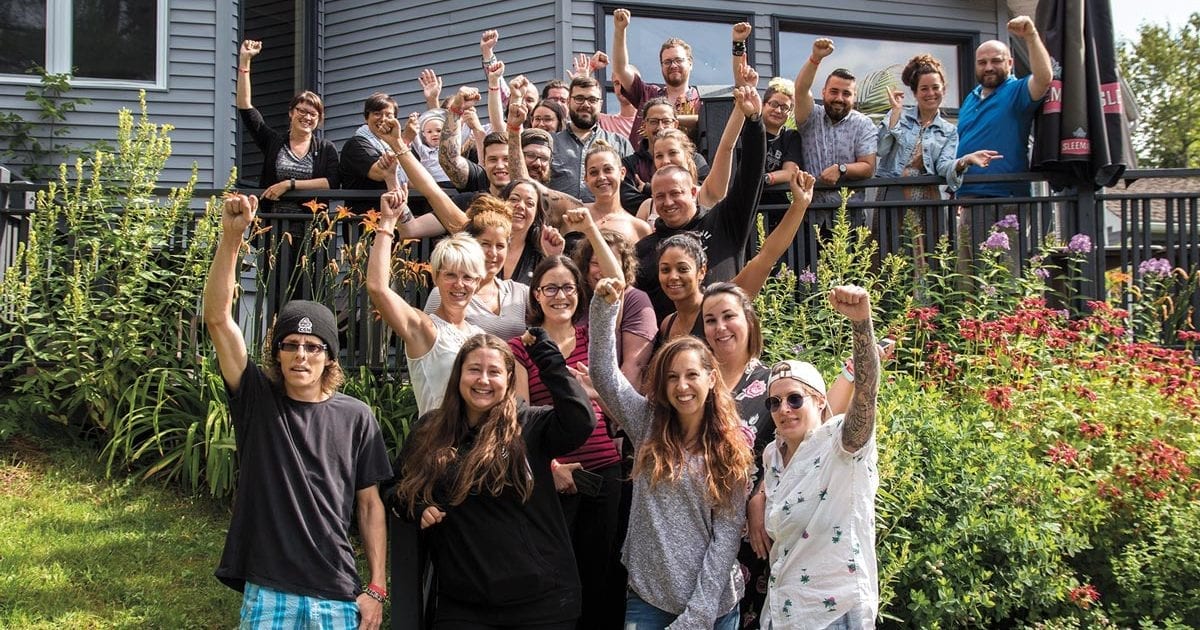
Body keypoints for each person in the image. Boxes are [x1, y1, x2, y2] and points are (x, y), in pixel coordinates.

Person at [205, 193, 390, 629]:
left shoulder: (357, 417)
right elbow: (218, 319)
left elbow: (369, 506)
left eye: (313, 347)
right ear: (278, 354)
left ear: (330, 358)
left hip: (337, 591)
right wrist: (232, 240)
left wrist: (376, 587)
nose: (301, 355)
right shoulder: (256, 400)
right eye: (290, 345)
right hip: (269, 591)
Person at [391, 331, 596, 629]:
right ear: (459, 374)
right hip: (462, 604)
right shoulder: (430, 431)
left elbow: (581, 420)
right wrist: (418, 506)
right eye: (474, 369)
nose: (483, 380)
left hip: (541, 604)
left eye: (494, 371)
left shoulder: (532, 426)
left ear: (509, 379)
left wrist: (547, 356)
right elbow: (395, 487)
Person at [588, 276, 755, 629]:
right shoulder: (646, 422)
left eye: (692, 375)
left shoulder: (730, 449)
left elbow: (725, 541)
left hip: (714, 606)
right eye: (672, 377)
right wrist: (605, 307)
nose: (682, 386)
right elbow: (605, 376)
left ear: (711, 379)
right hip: (649, 598)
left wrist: (696, 617)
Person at [508, 256, 623, 630]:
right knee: (559, 572)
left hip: (605, 472)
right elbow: (519, 419)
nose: (561, 296)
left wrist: (596, 392)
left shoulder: (594, 341)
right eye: (551, 288)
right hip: (554, 475)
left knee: (601, 572)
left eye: (569, 287)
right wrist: (551, 469)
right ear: (536, 296)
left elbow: (622, 408)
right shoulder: (521, 347)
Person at [757, 285, 882, 630]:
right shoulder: (773, 457)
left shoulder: (840, 444)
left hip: (835, 612)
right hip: (784, 613)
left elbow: (866, 394)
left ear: (819, 401)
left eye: (794, 399)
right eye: (774, 402)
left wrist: (861, 325)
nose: (783, 409)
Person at [634, 84, 766, 320]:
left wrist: (754, 122)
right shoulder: (644, 249)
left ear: (693, 192)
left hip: (726, 339)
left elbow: (750, 175)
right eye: (660, 196)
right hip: (672, 349)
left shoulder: (724, 222)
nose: (668, 202)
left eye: (676, 194)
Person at [655, 170, 815, 344]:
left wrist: (799, 206)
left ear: (701, 271)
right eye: (665, 270)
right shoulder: (667, 324)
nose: (673, 276)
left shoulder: (723, 301)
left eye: (683, 268)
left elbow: (766, 257)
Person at [366, 188, 487, 416]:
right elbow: (377, 288)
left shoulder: (479, 335)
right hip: (435, 446)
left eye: (468, 277)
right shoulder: (424, 328)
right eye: (450, 275)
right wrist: (388, 223)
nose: (459, 284)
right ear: (436, 277)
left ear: (478, 282)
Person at [876, 55, 999, 275]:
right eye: (924, 88)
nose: (930, 93)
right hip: (894, 195)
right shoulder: (899, 116)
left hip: (927, 200)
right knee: (891, 255)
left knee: (925, 257)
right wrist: (894, 114)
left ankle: (924, 309)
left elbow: (943, 166)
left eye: (935, 87)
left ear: (943, 90)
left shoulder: (949, 130)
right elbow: (882, 150)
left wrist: (964, 161)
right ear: (915, 93)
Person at [955, 15, 1053, 199]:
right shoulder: (970, 98)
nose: (989, 67)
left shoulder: (1017, 91)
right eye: (982, 62)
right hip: (967, 197)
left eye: (996, 61)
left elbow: (1044, 78)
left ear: (1010, 63)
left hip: (1006, 197)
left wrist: (1031, 36)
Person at [236, 39, 339, 209]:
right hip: (273, 226)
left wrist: (289, 184)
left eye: (313, 114)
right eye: (302, 111)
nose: (307, 117)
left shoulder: (326, 149)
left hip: (311, 228)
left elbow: (332, 182)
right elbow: (245, 107)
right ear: (291, 112)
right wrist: (245, 60)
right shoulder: (273, 141)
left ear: (319, 119)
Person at [793, 38, 878, 223]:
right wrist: (815, 58)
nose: (839, 98)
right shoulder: (811, 117)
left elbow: (868, 167)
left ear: (854, 97)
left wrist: (841, 169)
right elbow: (800, 90)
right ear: (823, 92)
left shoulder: (864, 124)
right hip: (810, 217)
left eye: (846, 93)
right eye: (834, 91)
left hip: (849, 220)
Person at [425, 196, 530, 341]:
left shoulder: (520, 292)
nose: (492, 253)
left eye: (500, 246)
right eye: (485, 244)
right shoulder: (447, 291)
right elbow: (431, 343)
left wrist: (553, 255)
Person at [611, 8, 703, 145]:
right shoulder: (648, 94)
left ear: (690, 63)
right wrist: (620, 30)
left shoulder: (701, 102)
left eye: (678, 60)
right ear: (661, 66)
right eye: (667, 62)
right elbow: (620, 68)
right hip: (644, 165)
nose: (673, 65)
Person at [549, 76, 635, 202]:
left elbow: (631, 190)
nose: (585, 104)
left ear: (600, 104)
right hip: (558, 219)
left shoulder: (620, 143)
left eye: (592, 100)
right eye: (579, 98)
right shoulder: (551, 143)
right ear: (568, 102)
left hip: (606, 220)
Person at [619, 98, 710, 216]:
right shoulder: (629, 164)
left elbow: (703, 194)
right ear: (644, 125)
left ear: (675, 124)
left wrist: (648, 189)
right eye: (654, 121)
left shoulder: (695, 159)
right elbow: (628, 201)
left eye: (666, 121)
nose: (660, 127)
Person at [339, 92, 402, 213]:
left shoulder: (391, 144)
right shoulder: (356, 144)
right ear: (366, 117)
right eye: (377, 114)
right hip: (365, 221)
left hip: (396, 218)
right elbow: (380, 173)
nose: (383, 119)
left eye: (389, 115)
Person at [580, 141, 652, 244]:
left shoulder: (639, 229)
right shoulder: (576, 215)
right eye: (593, 172)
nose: (601, 177)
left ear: (622, 173)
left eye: (608, 169)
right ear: (586, 178)